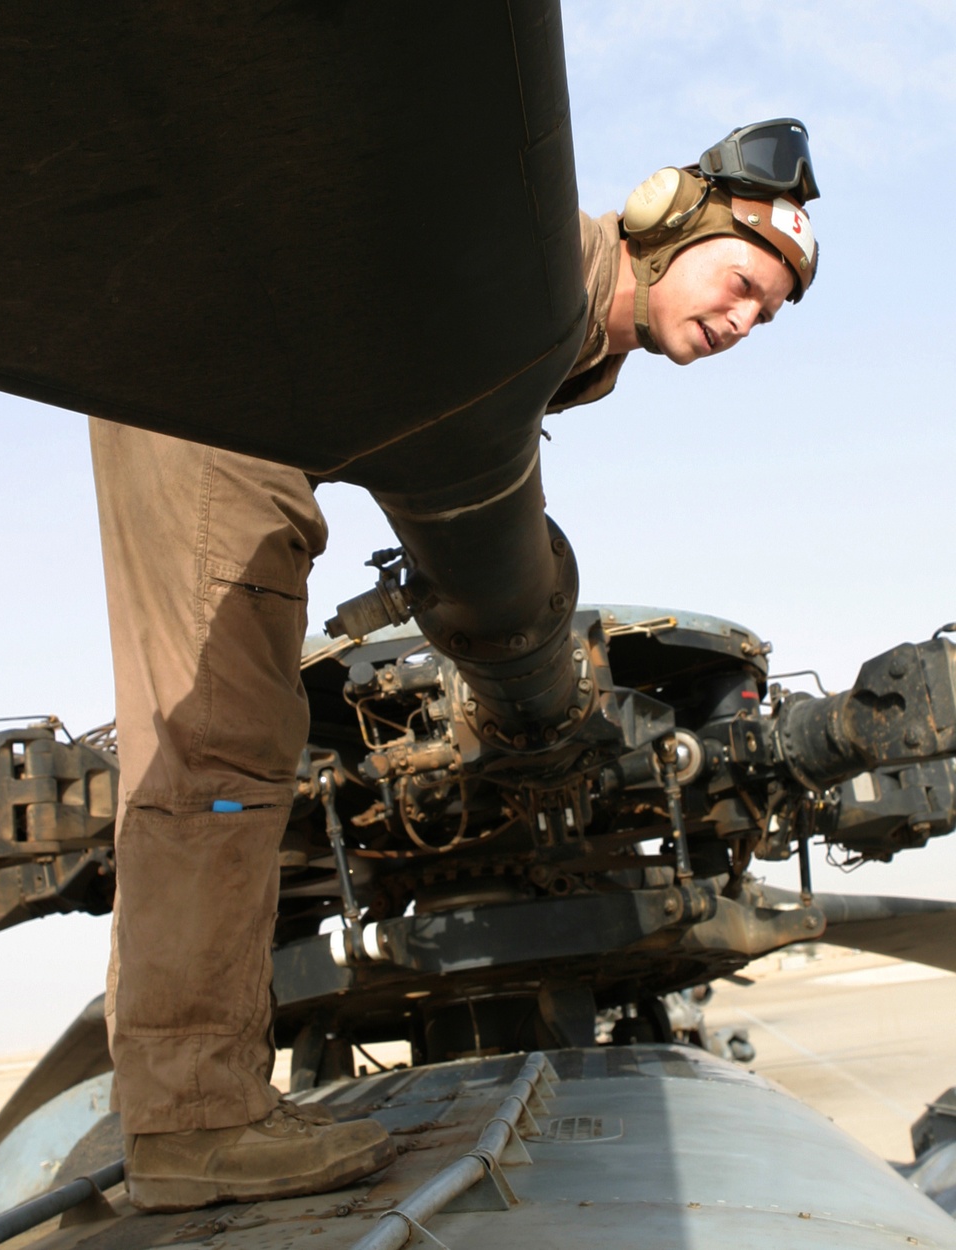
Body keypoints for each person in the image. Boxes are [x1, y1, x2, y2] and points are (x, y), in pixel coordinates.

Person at [90, 120, 819, 1212]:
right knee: (221, 752)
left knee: (229, 745)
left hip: (253, 398)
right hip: (213, 388)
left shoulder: (578, 335)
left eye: (768, 311)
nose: (744, 318)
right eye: (743, 280)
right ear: (665, 224)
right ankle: (194, 1121)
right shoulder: (537, 274)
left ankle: (193, 1105)